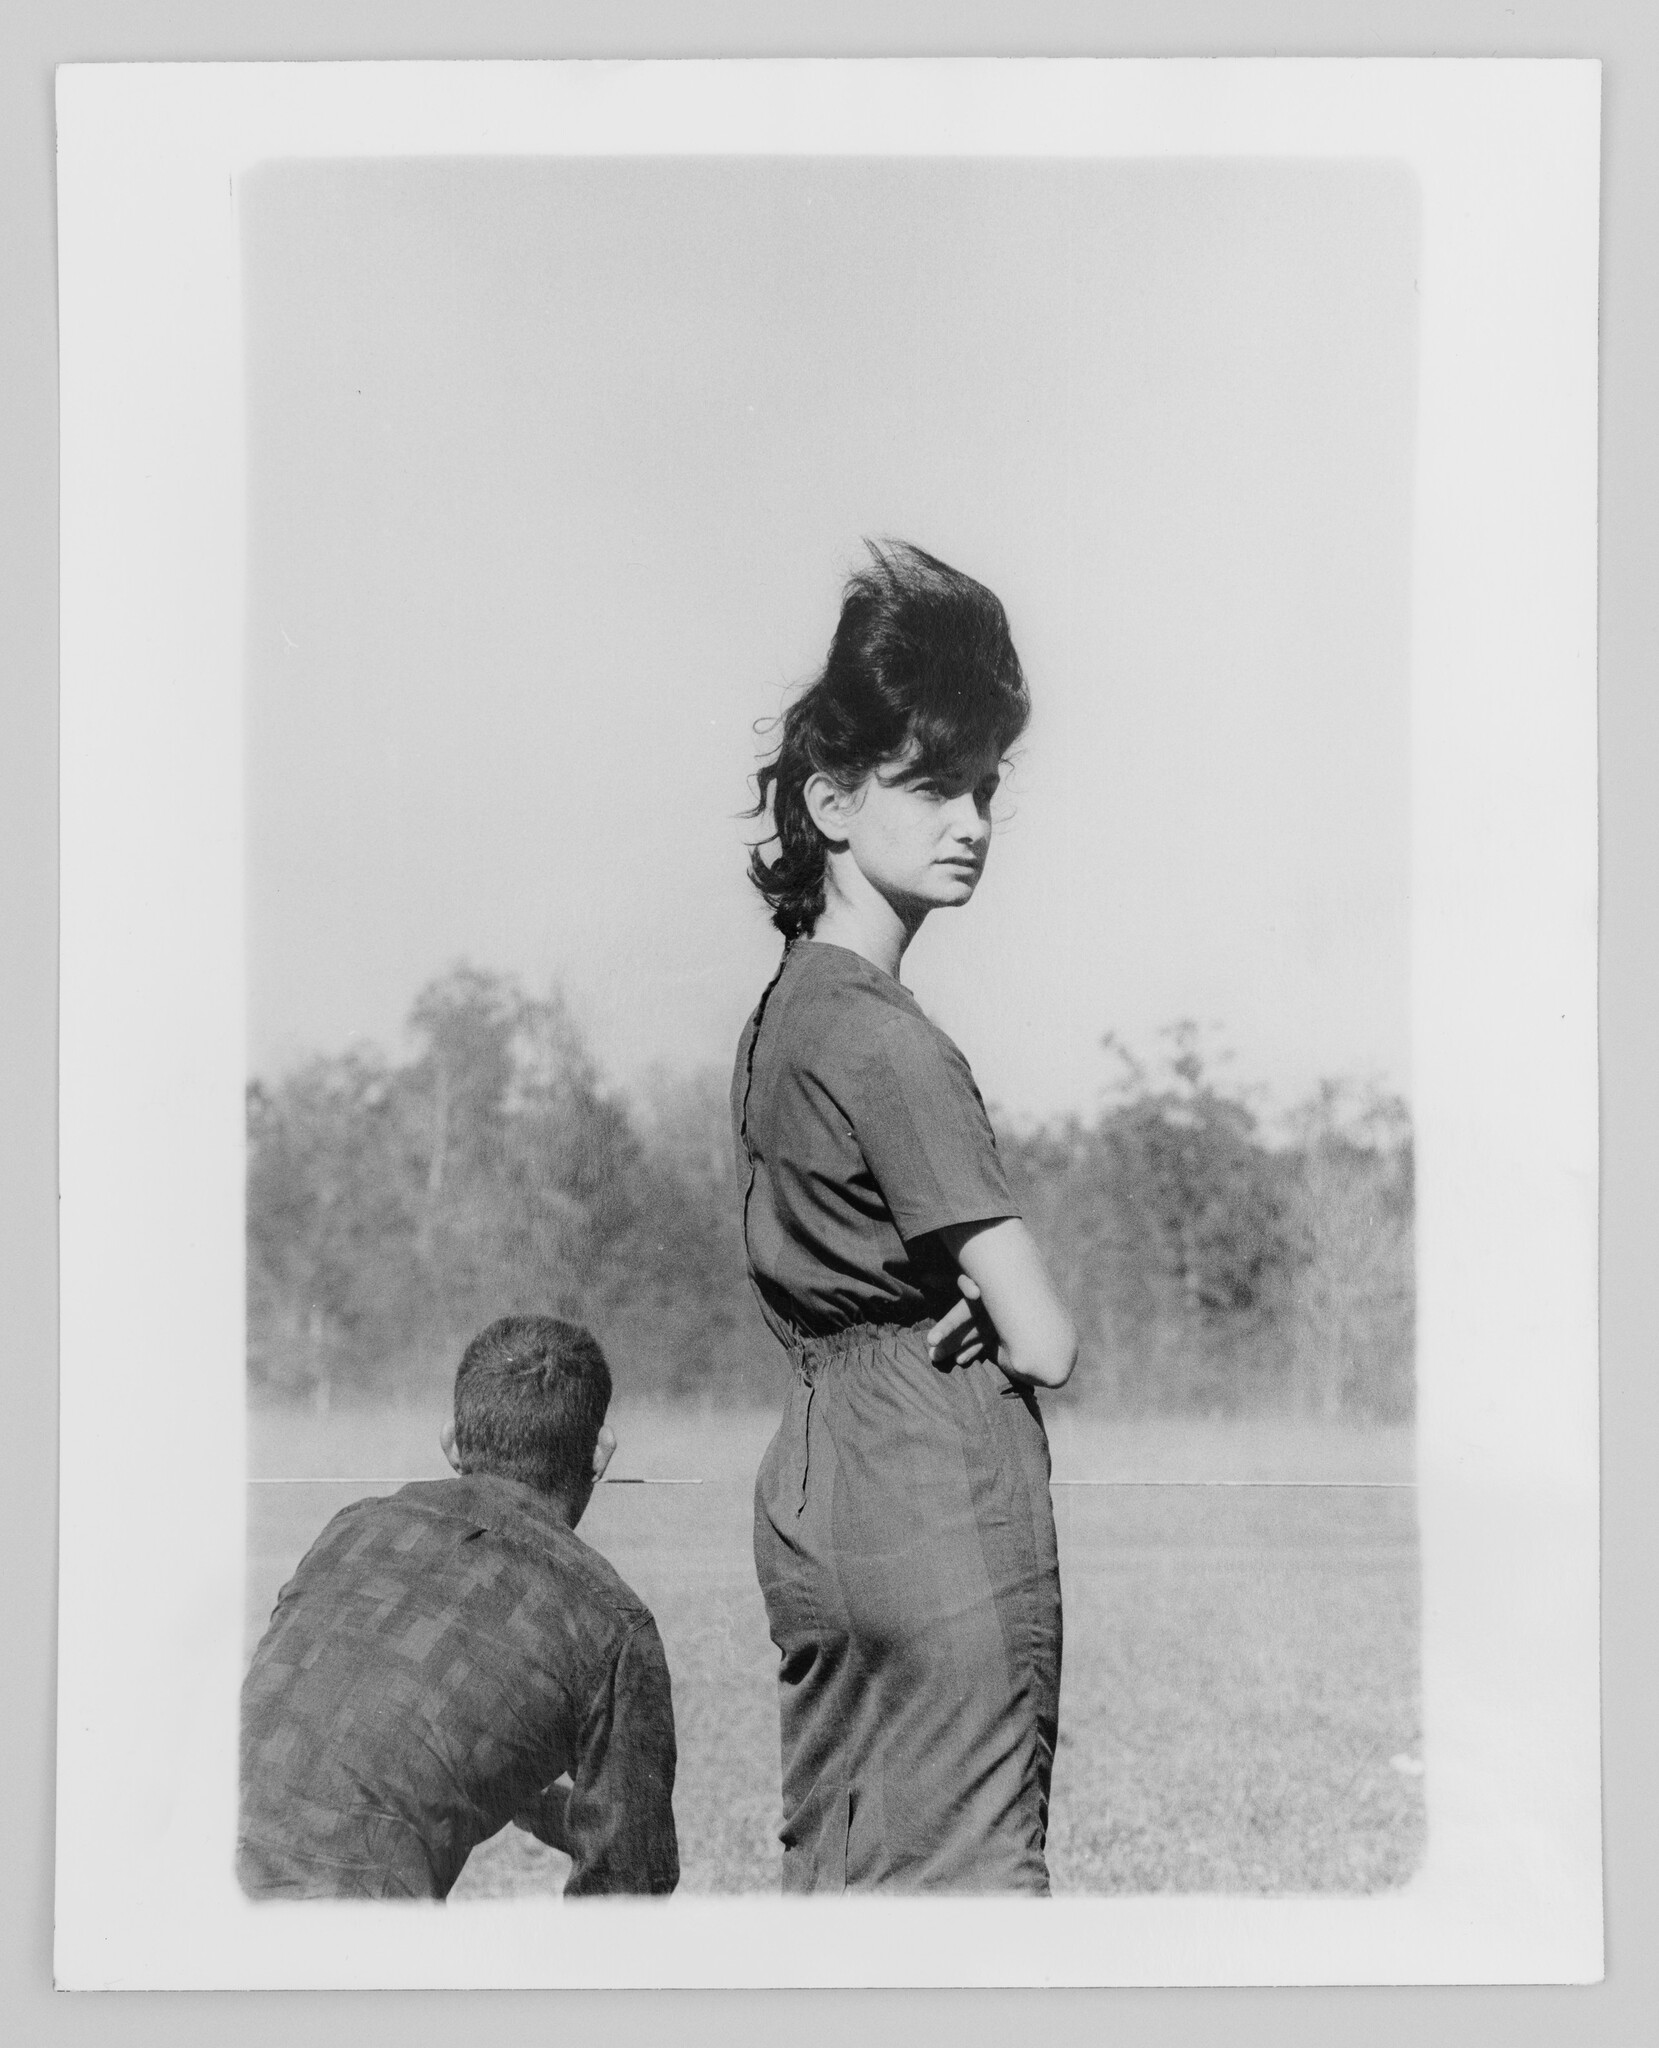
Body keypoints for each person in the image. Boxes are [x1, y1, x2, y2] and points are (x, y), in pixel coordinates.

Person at [732, 540, 1077, 1895]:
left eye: (982, 787)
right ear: (828, 801)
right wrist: (991, 1300)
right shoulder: (889, 1041)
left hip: (812, 1477)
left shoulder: (780, 1016)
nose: (970, 820)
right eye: (931, 784)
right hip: (932, 1483)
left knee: (840, 1885)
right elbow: (1043, 1340)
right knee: (972, 1900)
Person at [237, 1315, 679, 1900]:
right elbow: (629, 1887)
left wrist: (520, 1793)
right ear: (600, 1452)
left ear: (451, 1442)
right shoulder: (612, 1625)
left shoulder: (349, 1531)